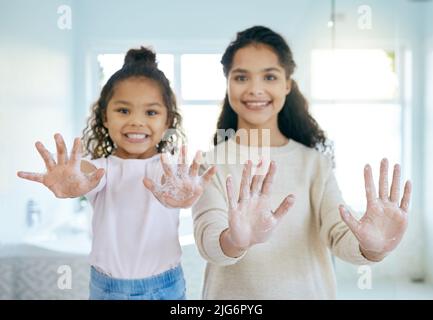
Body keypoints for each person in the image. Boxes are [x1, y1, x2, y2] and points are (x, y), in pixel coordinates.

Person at [192, 26, 412, 299]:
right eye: (241, 77)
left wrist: (373, 247)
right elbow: (207, 240)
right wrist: (235, 240)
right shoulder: (211, 163)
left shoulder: (314, 164)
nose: (255, 89)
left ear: (287, 84)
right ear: (227, 84)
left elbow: (339, 233)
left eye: (269, 76)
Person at [17, 46, 216, 300]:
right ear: (105, 117)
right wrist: (72, 179)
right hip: (107, 290)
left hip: (164, 288)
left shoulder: (167, 168)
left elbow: (172, 179)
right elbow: (84, 174)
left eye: (151, 112)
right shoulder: (101, 168)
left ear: (168, 121)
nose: (136, 121)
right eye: (123, 110)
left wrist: (186, 192)